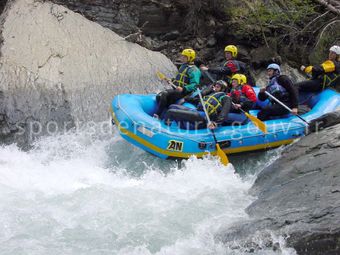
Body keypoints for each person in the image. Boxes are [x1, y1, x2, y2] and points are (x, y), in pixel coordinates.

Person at [154, 49, 201, 118]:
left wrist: (184, 88)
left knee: (164, 94)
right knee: (158, 96)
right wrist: (171, 81)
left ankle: (157, 115)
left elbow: (195, 85)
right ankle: (166, 112)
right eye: (182, 56)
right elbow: (179, 79)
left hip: (185, 92)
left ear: (190, 58)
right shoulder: (183, 66)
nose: (182, 58)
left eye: (184, 57)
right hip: (176, 90)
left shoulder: (195, 70)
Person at [163, 80, 228, 129]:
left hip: (203, 118)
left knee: (170, 112)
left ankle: (165, 130)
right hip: (196, 112)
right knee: (172, 106)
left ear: (222, 89)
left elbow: (224, 112)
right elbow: (197, 100)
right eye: (215, 86)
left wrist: (216, 123)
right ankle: (167, 122)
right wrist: (187, 98)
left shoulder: (225, 98)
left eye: (217, 87)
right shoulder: (210, 95)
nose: (215, 88)